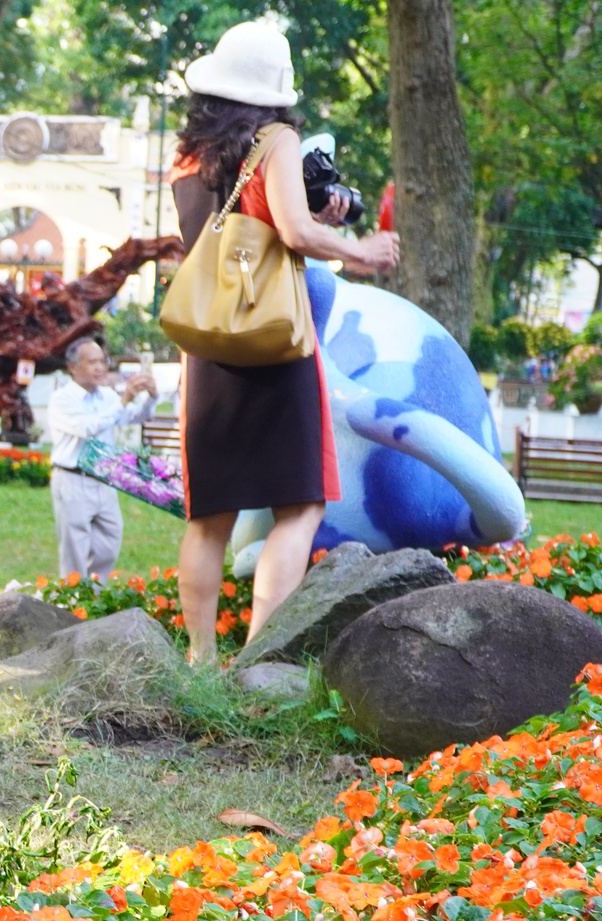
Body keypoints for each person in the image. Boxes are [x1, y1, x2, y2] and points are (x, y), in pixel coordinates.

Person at [169, 22, 400, 664]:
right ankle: (258, 656)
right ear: (275, 90)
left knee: (210, 515)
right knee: (299, 505)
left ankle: (198, 658)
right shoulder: (277, 140)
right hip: (273, 341)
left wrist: (311, 215)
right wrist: (359, 248)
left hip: (209, 344)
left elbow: (240, 227)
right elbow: (294, 234)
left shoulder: (187, 155)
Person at [43, 338, 155, 580]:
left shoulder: (107, 396)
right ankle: (71, 601)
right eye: (91, 362)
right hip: (72, 479)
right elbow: (87, 427)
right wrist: (123, 401)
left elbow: (134, 416)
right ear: (73, 367)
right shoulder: (62, 399)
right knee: (74, 546)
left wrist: (150, 397)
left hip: (104, 478)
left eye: (102, 362)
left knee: (110, 539)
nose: (99, 368)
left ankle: (94, 596)